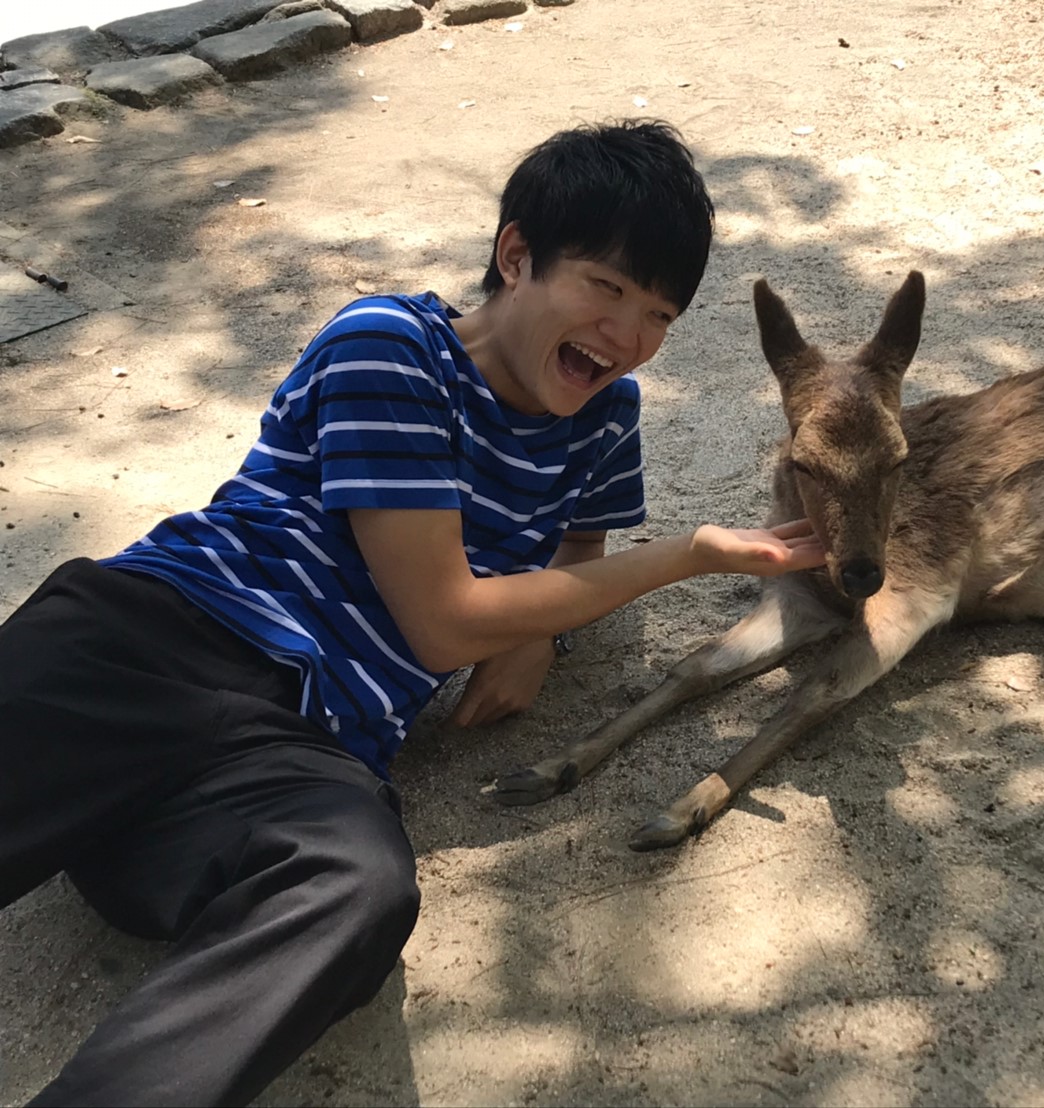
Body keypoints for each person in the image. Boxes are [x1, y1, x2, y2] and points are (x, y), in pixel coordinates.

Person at [0, 119, 823, 1107]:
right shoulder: (390, 347)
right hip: (152, 642)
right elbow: (439, 622)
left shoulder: (605, 418)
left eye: (657, 314)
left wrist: (537, 633)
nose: (627, 338)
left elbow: (579, 547)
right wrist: (682, 558)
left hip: (303, 747)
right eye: (605, 289)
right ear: (514, 257)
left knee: (358, 886)